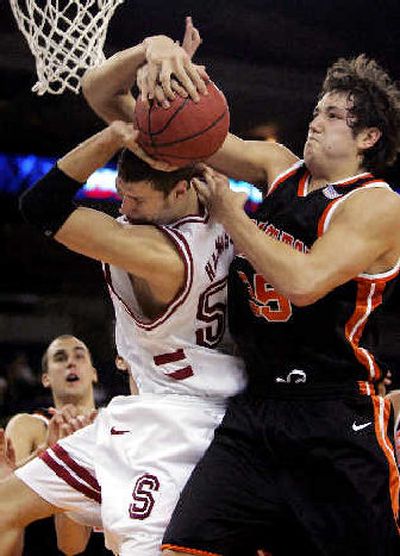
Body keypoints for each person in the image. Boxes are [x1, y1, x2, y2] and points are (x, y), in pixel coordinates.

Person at [0, 26, 246, 556]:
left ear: (177, 188)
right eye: (121, 198)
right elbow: (97, 91)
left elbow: (41, 207)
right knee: (3, 509)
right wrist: (154, 50)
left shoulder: (156, 253)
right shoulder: (206, 191)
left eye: (134, 201)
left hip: (177, 432)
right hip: (146, 415)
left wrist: (116, 134)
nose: (123, 212)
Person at [151, 55, 400, 555]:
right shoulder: (276, 167)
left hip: (334, 412)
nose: (316, 119)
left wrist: (232, 216)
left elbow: (304, 283)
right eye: (317, 109)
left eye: (333, 115)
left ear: (367, 138)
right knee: (184, 547)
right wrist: (151, 62)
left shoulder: (377, 204)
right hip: (258, 406)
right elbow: (175, 135)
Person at [5, 335, 99, 555]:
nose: (71, 362)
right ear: (46, 379)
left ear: (94, 373)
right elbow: (6, 494)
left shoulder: (114, 424)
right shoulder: (29, 425)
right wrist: (47, 453)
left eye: (79, 355)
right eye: (60, 357)